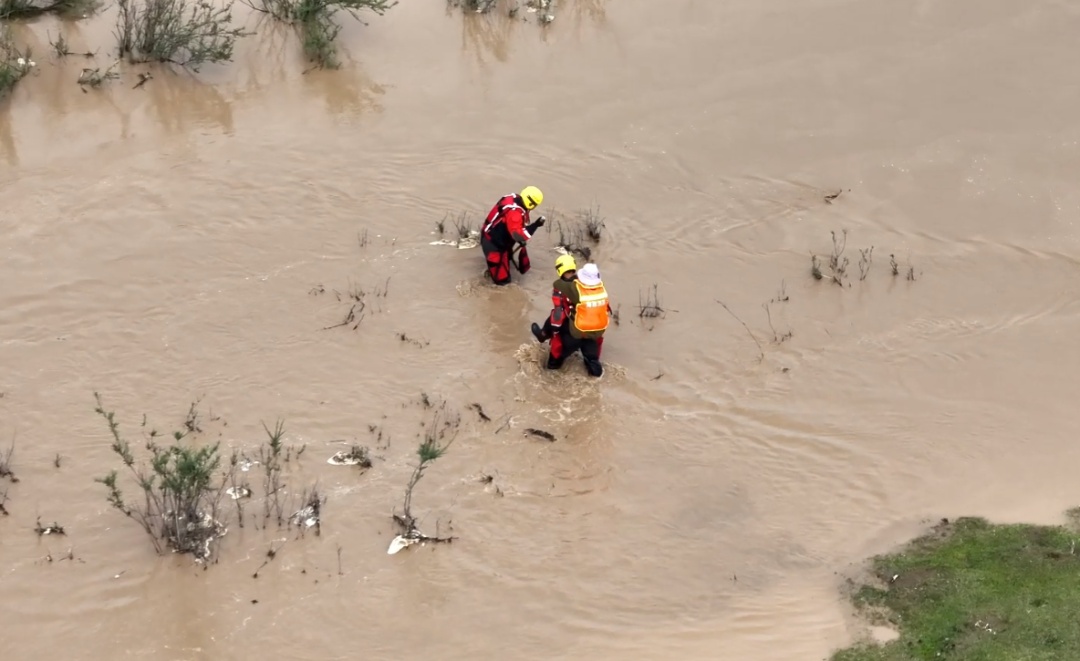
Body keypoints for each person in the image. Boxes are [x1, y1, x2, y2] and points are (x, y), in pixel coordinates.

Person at [531, 259, 611, 377]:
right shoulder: (602, 290)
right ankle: (594, 367)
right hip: (595, 334)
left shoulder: (574, 289)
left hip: (575, 334)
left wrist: (553, 330)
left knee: (554, 364)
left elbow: (558, 287)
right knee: (593, 365)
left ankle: (543, 336)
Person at [480, 186, 547, 286]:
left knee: (504, 263)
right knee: (503, 281)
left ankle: (493, 271)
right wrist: (535, 225)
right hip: (494, 245)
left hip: (492, 236)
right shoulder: (515, 213)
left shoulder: (512, 198)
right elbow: (519, 236)